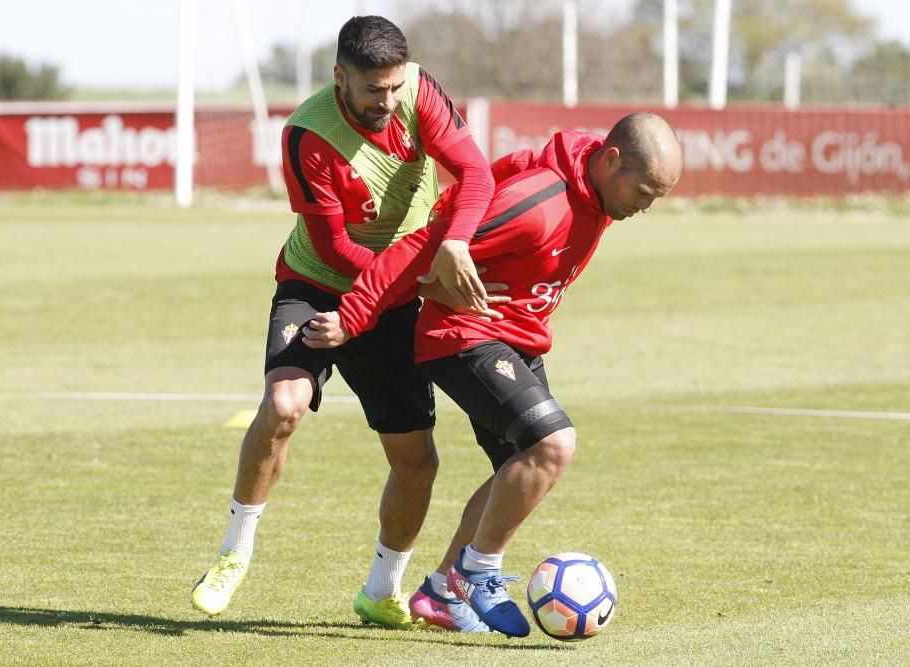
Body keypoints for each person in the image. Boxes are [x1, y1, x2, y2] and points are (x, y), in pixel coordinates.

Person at [303, 112, 683, 636]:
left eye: (655, 198)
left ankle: (440, 593)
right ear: (611, 159)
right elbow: (422, 245)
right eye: (643, 191)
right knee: (554, 444)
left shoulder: (594, 189)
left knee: (520, 471)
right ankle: (478, 571)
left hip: (515, 339)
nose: (645, 206)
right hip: (463, 338)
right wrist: (353, 317)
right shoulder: (539, 201)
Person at [190, 15, 497, 631]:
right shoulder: (307, 135)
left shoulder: (420, 93)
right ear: (340, 78)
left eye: (394, 87)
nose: (387, 101)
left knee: (417, 461)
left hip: (395, 293)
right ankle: (233, 553)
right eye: (372, 90)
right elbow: (333, 248)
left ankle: (382, 589)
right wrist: (387, 291)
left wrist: (454, 245)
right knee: (283, 405)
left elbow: (477, 176)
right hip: (318, 282)